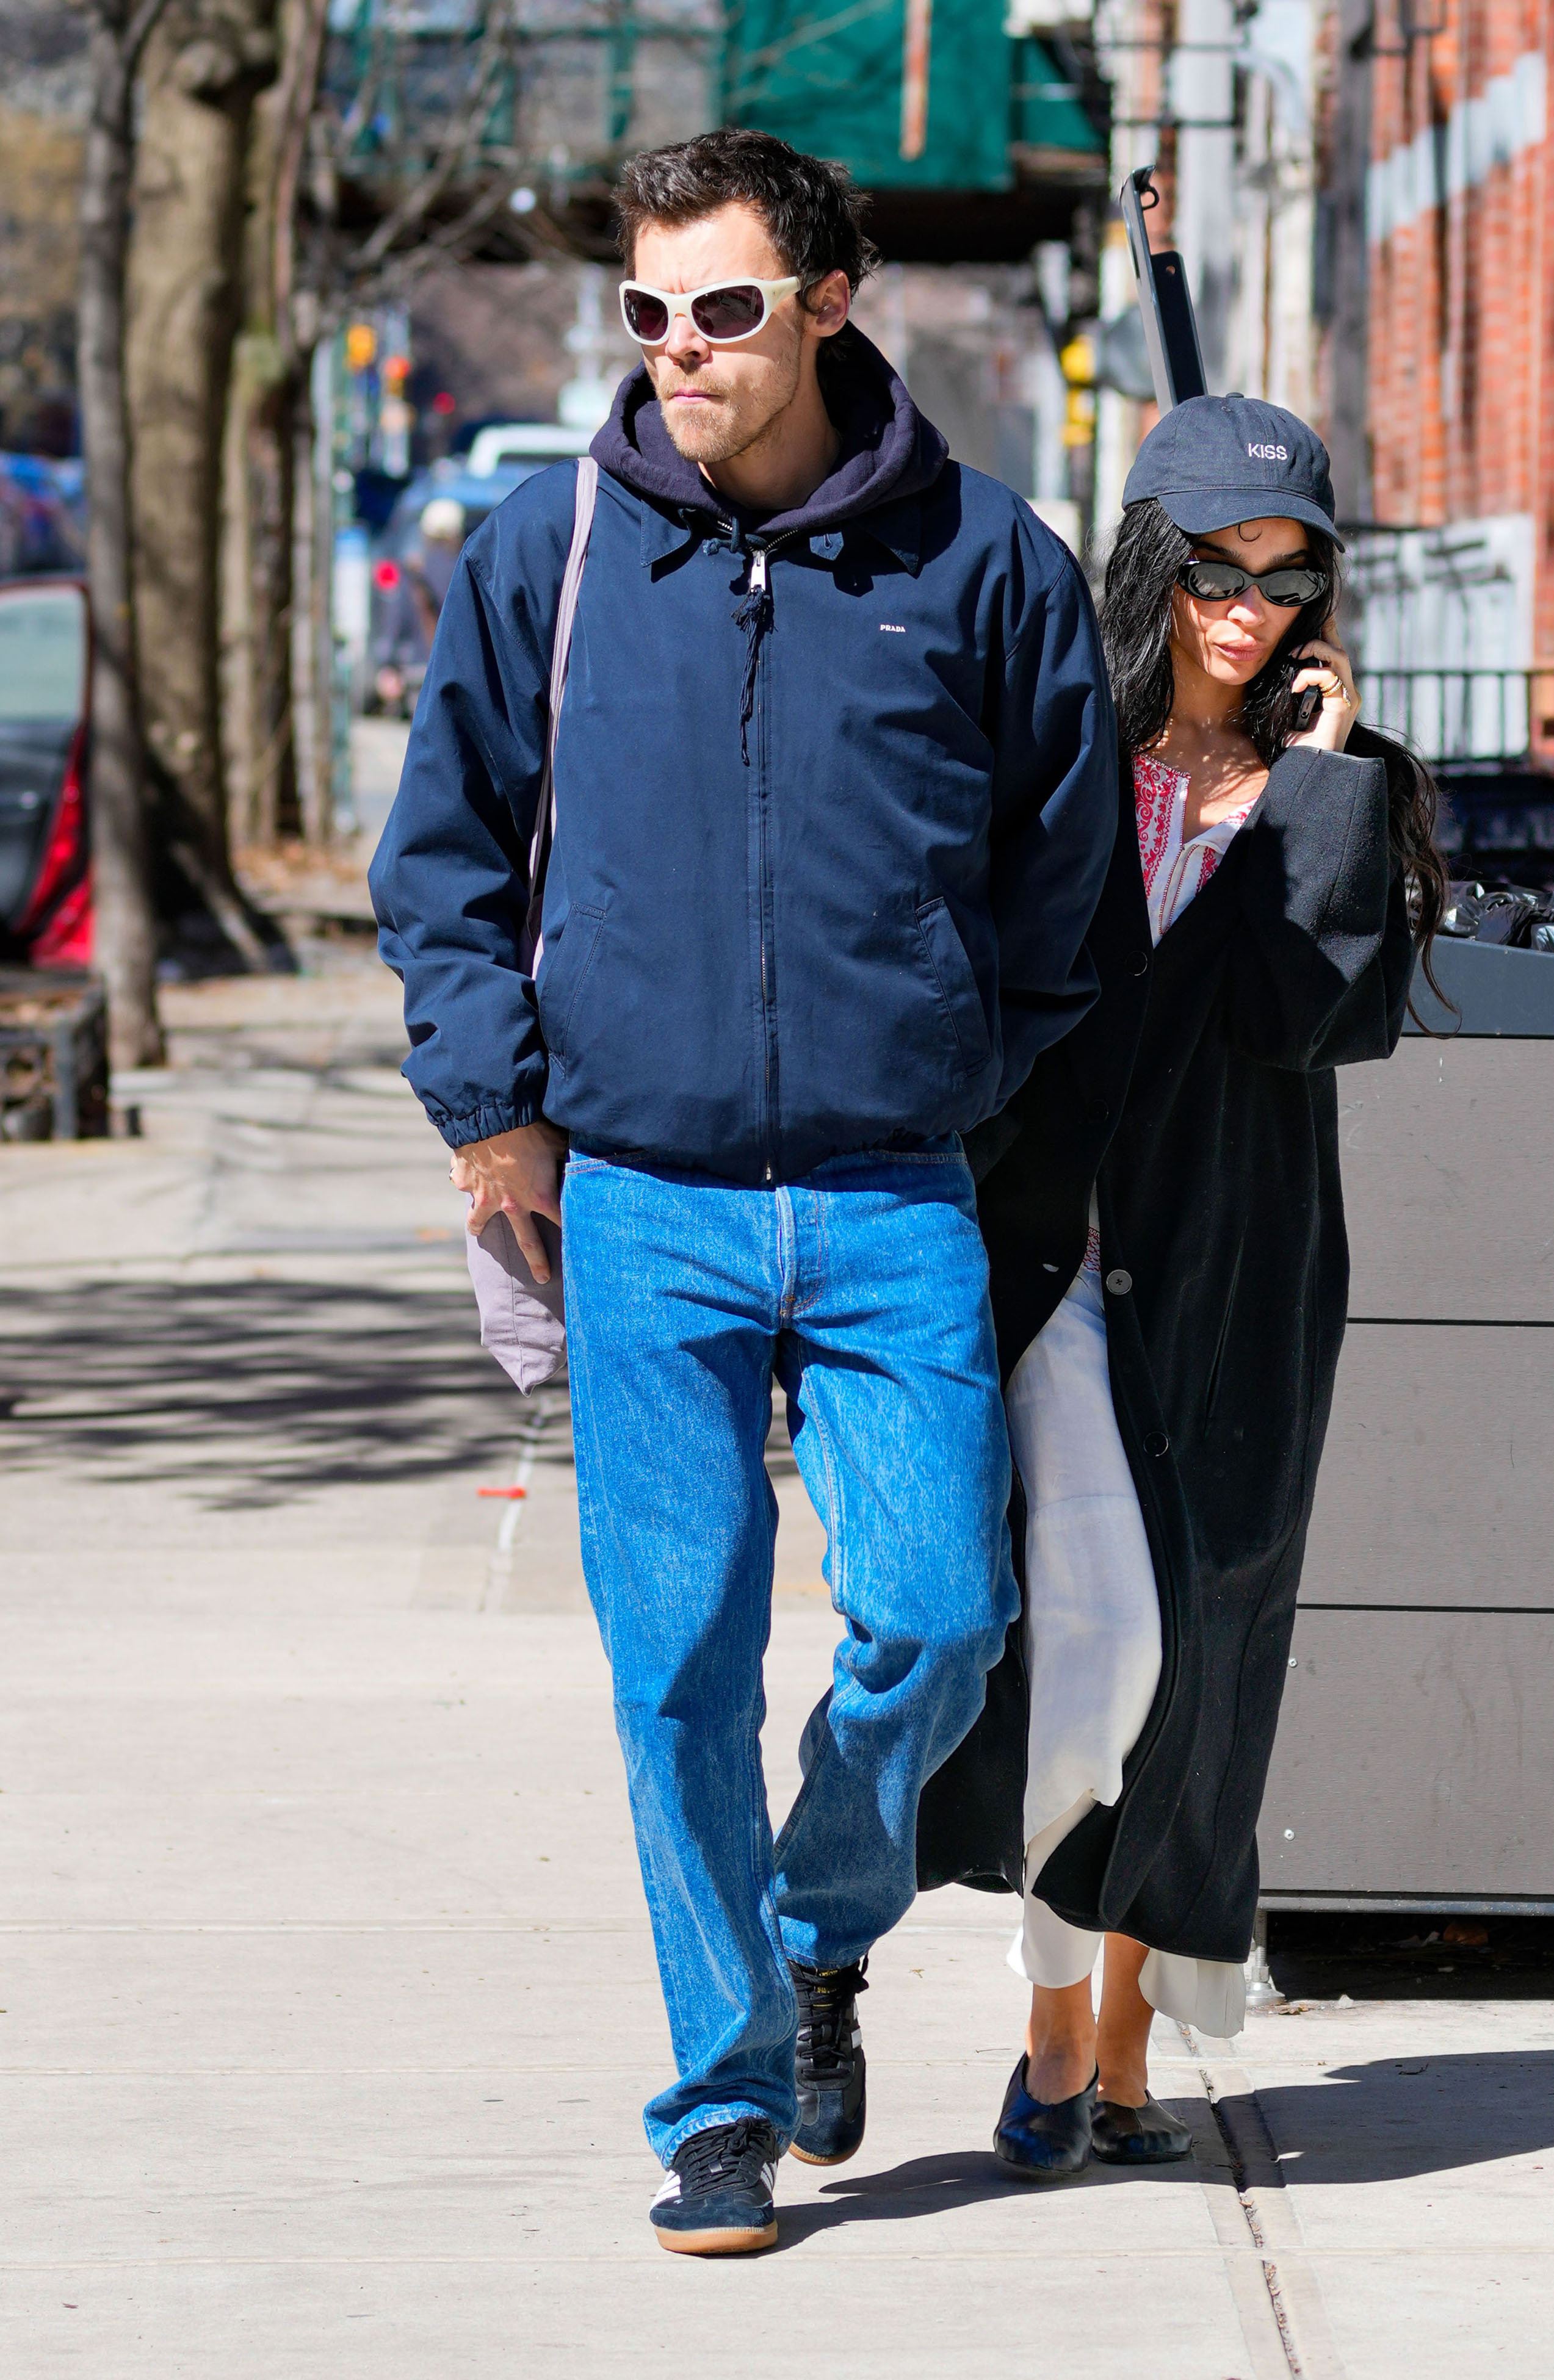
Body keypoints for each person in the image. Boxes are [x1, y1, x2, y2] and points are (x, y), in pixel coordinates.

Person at [369, 129, 1118, 2252]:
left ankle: (816, 1921)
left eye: (717, 308)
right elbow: (440, 859)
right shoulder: (552, 553)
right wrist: (490, 1111)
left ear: (825, 300)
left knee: (938, 1622)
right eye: (645, 313)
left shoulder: (984, 565)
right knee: (673, 1662)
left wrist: (959, 1069)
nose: (676, 350)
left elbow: (1060, 888)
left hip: (892, 1192)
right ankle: (721, 2097)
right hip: (641, 1200)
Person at [916, 395, 1445, 2176]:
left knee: (1205, 1665)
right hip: (1064, 1253)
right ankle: (1057, 2020)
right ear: (1155, 559)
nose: (1248, 605)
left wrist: (1309, 783)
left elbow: (1315, 1017)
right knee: (1095, 1647)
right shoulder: (1060, 752)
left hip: (1237, 1261)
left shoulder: (1334, 781)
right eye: (1215, 567)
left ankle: (1120, 2048)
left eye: (1285, 574)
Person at [371, 496, 466, 714]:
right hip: (458, 672)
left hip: (417, 671)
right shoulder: (467, 570)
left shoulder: (415, 570)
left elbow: (396, 618)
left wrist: (387, 665)